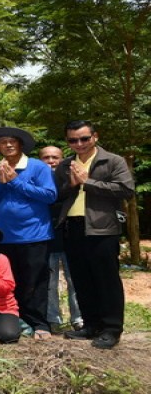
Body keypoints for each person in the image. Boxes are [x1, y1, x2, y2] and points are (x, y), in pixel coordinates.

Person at [55, 120, 135, 349]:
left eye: (84, 138)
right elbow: (58, 196)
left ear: (95, 137)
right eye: (73, 140)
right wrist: (71, 185)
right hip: (73, 226)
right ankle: (90, 325)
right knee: (81, 279)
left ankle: (111, 329)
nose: (79, 144)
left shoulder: (112, 160)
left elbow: (126, 189)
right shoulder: (65, 165)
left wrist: (87, 182)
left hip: (102, 228)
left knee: (106, 280)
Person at [0, 126, 56, 340]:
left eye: (12, 141)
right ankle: (17, 321)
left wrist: (15, 181)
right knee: (10, 281)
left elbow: (50, 195)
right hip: (5, 236)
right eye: (3, 142)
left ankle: (40, 323)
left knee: (35, 281)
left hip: (35, 234)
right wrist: (2, 182)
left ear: (20, 144)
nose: (7, 145)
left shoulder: (37, 167)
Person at [39, 145, 82, 333]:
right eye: (46, 157)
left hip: (71, 237)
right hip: (46, 237)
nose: (51, 161)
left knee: (76, 280)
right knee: (49, 281)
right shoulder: (36, 180)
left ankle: (79, 318)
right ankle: (52, 319)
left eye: (55, 157)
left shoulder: (73, 177)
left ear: (62, 159)